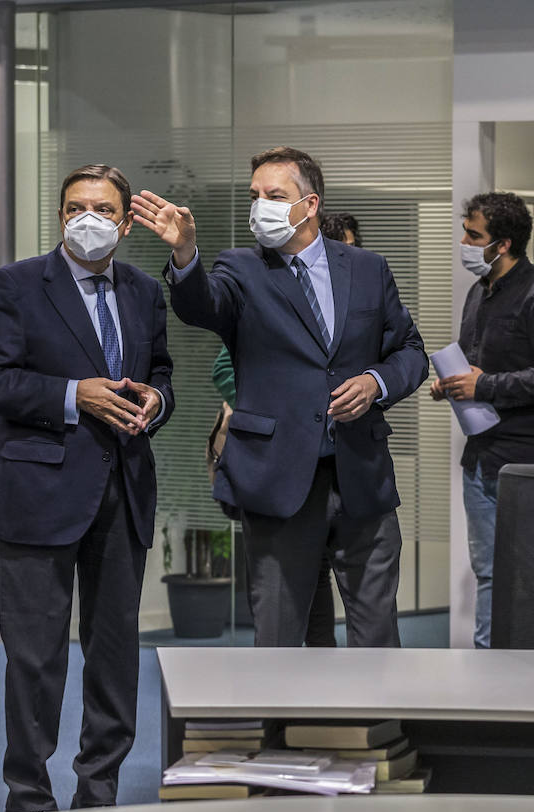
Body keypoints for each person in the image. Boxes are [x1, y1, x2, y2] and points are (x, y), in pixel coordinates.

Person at [131, 146, 427, 648]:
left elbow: (410, 352)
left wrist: (376, 382)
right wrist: (184, 254)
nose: (260, 206)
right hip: (278, 478)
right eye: (255, 196)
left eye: (274, 195)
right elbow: (203, 305)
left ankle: (379, 726)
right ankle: (282, 729)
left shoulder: (368, 268)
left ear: (309, 205)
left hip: (361, 476)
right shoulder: (241, 269)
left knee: (377, 631)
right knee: (280, 634)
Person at [0, 164, 174, 812]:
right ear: (60, 218)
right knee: (35, 659)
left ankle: (99, 787)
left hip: (123, 493)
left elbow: (160, 369)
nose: (90, 218)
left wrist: (157, 401)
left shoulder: (142, 290)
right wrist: (71, 395)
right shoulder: (18, 285)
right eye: (77, 207)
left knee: (114, 657)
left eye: (104, 208)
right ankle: (28, 795)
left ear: (126, 220)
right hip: (37, 498)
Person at [205, 211, 367, 648]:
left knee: (329, 596)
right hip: (283, 467)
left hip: (349, 465)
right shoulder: (269, 289)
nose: (349, 257)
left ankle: (325, 687)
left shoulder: (361, 292)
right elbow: (224, 367)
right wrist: (284, 409)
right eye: (344, 247)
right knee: (288, 604)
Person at [433, 192, 534, 649]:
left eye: (474, 235)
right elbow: (478, 367)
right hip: (483, 459)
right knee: (490, 573)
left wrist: (484, 386)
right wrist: (453, 384)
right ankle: (487, 674)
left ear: (504, 244)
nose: (465, 243)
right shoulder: (479, 292)